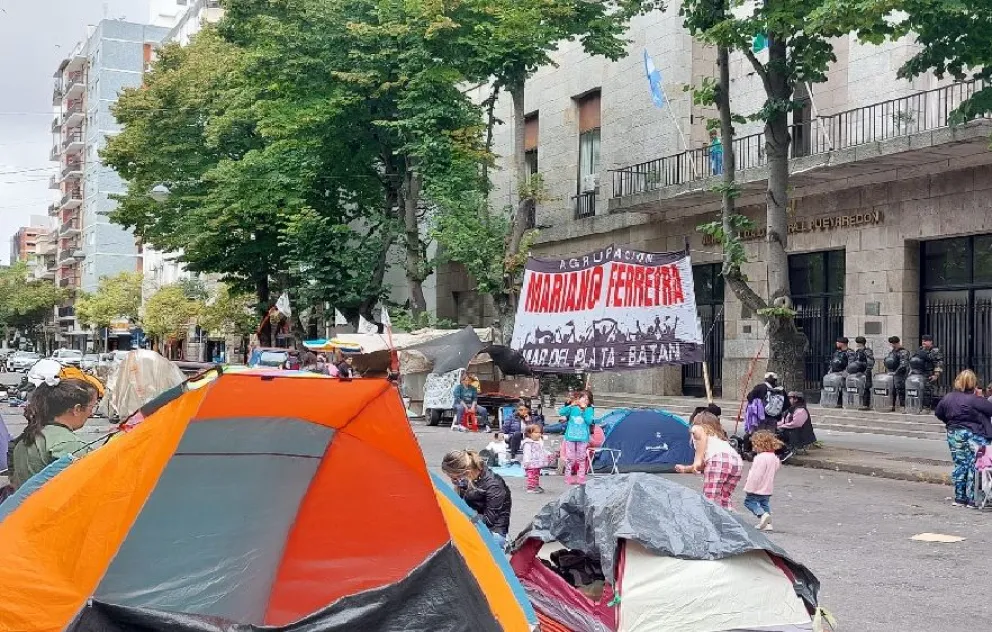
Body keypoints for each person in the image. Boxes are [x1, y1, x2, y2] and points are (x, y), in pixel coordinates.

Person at [8, 378, 100, 490]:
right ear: (77, 409)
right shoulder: (68, 444)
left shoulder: (28, 436)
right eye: (92, 407)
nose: (91, 414)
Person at [934, 370, 992, 507]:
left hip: (954, 433)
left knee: (960, 464)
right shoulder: (975, 400)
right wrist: (980, 397)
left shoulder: (948, 397)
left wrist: (951, 421)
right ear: (974, 384)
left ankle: (960, 497)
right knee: (975, 465)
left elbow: (939, 412)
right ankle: (973, 498)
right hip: (974, 434)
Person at [441, 449, 511, 547]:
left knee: (456, 544)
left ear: (467, 472)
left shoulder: (494, 485)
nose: (453, 481)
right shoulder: (468, 479)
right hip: (472, 522)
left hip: (495, 532)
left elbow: (489, 521)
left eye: (454, 478)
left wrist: (464, 523)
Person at [675, 411, 743, 510]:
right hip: (736, 461)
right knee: (724, 497)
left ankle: (710, 521)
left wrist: (696, 461)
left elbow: (701, 460)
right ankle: (728, 521)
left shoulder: (698, 429)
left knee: (710, 498)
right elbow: (703, 465)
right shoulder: (718, 438)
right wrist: (686, 469)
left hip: (719, 460)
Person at [743, 431, 784, 531]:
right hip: (768, 487)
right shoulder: (774, 457)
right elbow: (777, 468)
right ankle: (768, 524)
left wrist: (749, 487)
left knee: (749, 502)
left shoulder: (760, 458)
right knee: (764, 504)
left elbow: (756, 475)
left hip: (757, 487)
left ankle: (762, 515)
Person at [558, 391, 594, 485]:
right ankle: (568, 477)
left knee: (581, 458)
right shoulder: (573, 408)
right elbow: (561, 412)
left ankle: (581, 477)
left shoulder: (589, 409)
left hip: (583, 438)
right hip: (570, 436)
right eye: (583, 398)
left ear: (589, 402)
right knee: (570, 458)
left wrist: (583, 411)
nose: (585, 400)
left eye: (587, 399)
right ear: (578, 399)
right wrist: (570, 405)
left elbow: (589, 421)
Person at [778, 391, 817, 457]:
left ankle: (785, 451)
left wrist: (781, 426)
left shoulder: (801, 410)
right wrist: (776, 425)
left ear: (796, 399)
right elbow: (784, 421)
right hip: (792, 431)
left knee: (779, 433)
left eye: (790, 398)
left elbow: (795, 424)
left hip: (800, 434)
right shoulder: (791, 409)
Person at [917, 335, 944, 409]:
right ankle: (920, 405)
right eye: (923, 341)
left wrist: (936, 375)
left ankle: (927, 407)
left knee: (927, 391)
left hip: (930, 373)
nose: (923, 342)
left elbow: (939, 363)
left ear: (931, 342)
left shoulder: (935, 350)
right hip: (920, 373)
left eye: (925, 341)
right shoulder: (921, 349)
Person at [521, 424, 548, 494]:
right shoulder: (528, 443)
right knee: (532, 476)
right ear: (529, 434)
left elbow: (542, 450)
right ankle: (531, 487)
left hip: (537, 463)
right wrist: (527, 462)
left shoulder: (539, 442)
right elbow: (526, 453)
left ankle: (535, 485)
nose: (538, 434)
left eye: (539, 432)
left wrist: (548, 455)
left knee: (536, 475)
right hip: (530, 463)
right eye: (536, 432)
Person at [887, 336, 910, 408]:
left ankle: (903, 406)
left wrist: (895, 372)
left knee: (901, 390)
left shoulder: (903, 352)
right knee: (892, 390)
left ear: (896, 343)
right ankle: (892, 405)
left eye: (892, 344)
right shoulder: (892, 352)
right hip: (892, 374)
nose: (891, 345)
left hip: (900, 375)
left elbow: (903, 365)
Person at [854, 336, 874, 408]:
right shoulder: (858, 352)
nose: (856, 345)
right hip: (858, 373)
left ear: (861, 344)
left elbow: (870, 362)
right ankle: (859, 403)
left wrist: (866, 371)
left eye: (858, 344)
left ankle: (865, 404)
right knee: (859, 388)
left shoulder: (867, 351)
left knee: (866, 388)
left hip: (865, 373)